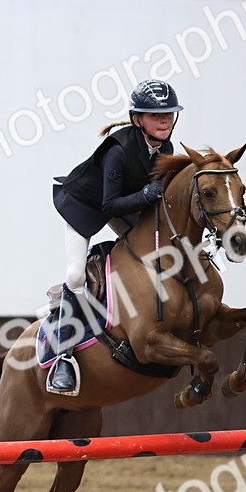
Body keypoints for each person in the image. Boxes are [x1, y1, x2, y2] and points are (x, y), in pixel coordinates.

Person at [45, 80, 183, 396]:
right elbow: (107, 206)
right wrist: (147, 193)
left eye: (169, 114)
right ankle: (63, 359)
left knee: (153, 249)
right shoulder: (118, 151)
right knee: (76, 273)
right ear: (138, 119)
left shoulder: (166, 148)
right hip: (83, 204)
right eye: (154, 115)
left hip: (122, 204)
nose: (164, 121)